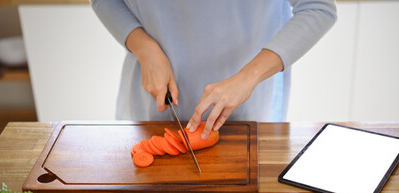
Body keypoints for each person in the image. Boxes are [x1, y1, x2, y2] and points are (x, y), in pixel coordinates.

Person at [91, 0, 337, 139]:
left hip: (244, 113)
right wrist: (142, 46)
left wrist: (248, 76)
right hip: (150, 105)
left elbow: (318, 8)